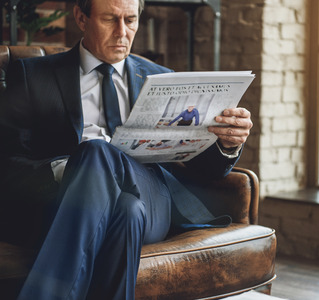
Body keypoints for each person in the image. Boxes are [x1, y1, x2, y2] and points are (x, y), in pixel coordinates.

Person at [0, 0, 253, 299]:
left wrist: (226, 143)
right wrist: (67, 171)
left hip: (152, 197)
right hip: (69, 199)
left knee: (97, 153)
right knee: (126, 211)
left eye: (130, 20)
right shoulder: (32, 75)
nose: (123, 32)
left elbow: (204, 167)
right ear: (81, 18)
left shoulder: (161, 77)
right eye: (110, 19)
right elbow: (8, 163)